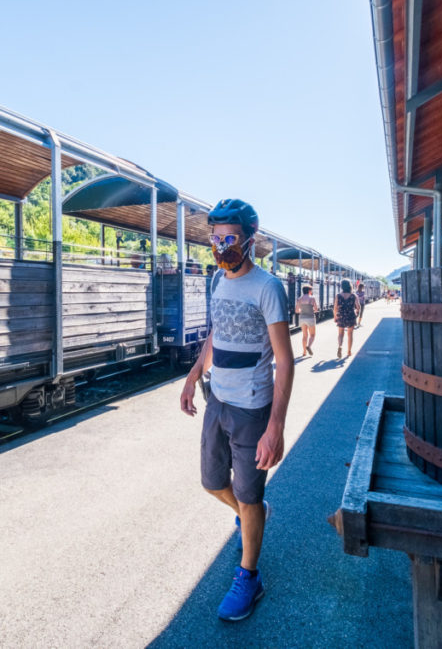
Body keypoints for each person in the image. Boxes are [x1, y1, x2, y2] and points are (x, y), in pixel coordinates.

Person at [179, 198, 293, 622]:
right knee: (212, 484)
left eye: (229, 238)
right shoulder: (217, 282)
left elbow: (285, 358)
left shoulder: (268, 287)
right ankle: (252, 517)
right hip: (217, 401)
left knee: (249, 495)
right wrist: (193, 377)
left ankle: (249, 576)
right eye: (215, 238)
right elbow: (215, 336)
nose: (220, 245)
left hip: (252, 410)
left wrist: (275, 427)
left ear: (250, 241)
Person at [334, 279, 360, 358]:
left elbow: (335, 308)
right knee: (350, 334)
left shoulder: (338, 295)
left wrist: (335, 316)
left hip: (341, 315)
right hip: (350, 315)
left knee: (340, 334)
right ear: (349, 286)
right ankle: (349, 351)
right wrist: (357, 313)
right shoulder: (353, 295)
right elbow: (358, 307)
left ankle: (340, 346)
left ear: (342, 286)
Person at [295, 285, 318, 357]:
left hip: (302, 318)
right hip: (310, 318)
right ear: (309, 291)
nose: (311, 292)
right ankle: (309, 346)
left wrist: (302, 311)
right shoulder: (312, 298)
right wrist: (311, 310)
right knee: (312, 335)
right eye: (311, 290)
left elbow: (296, 310)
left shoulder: (299, 299)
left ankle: (304, 352)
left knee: (304, 335)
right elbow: (316, 309)